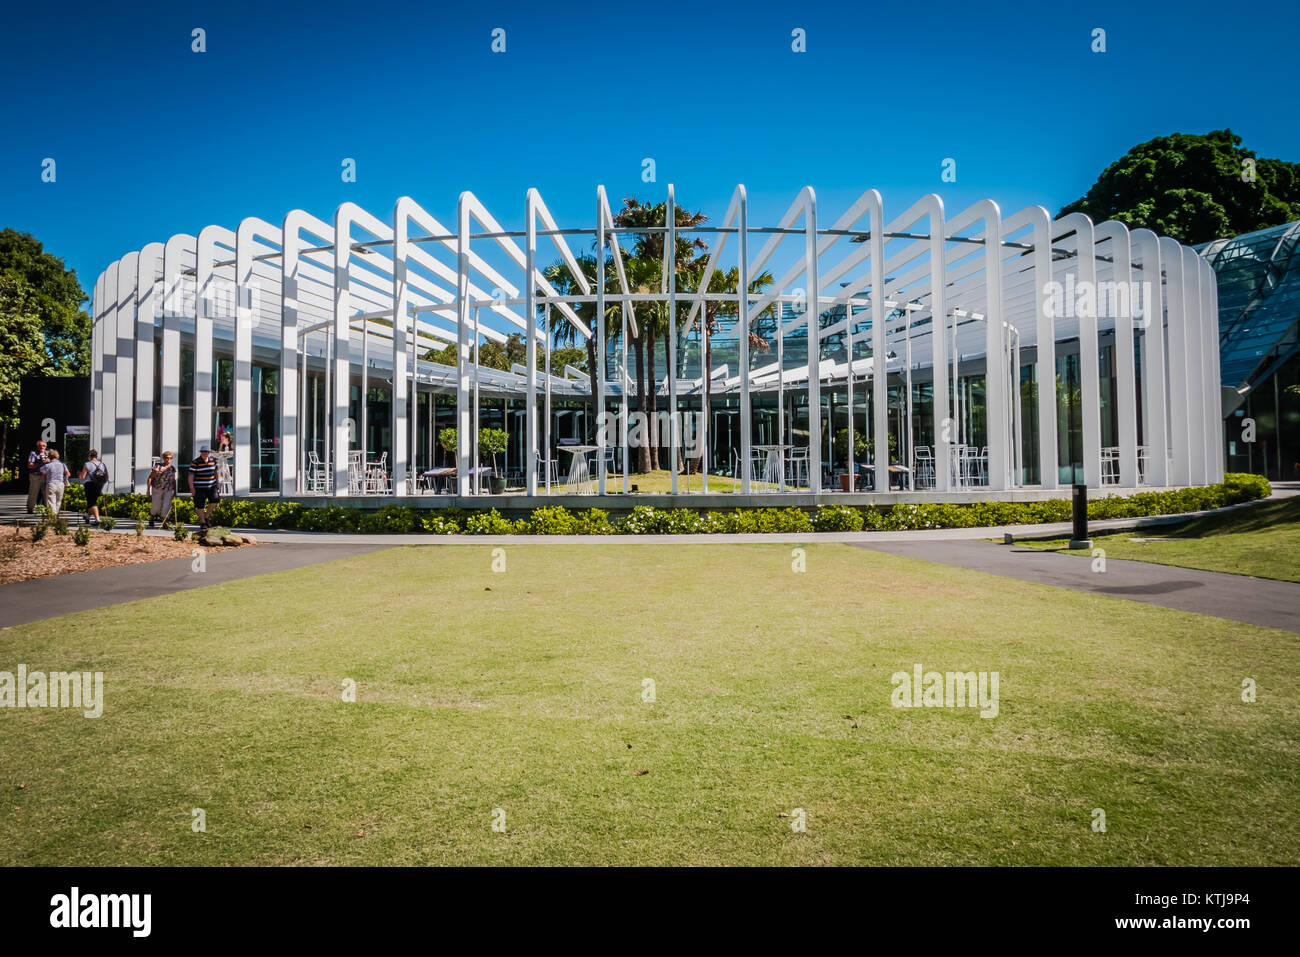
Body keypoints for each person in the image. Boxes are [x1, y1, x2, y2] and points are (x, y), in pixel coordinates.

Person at [189, 444, 219, 530]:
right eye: (203, 452)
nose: (204, 453)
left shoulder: (213, 461)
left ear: (209, 452)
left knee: (215, 500)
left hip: (211, 485)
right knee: (200, 504)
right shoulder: (195, 462)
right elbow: (190, 476)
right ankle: (202, 522)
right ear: (200, 452)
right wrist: (192, 488)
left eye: (206, 452)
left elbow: (215, 472)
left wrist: (217, 483)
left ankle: (206, 517)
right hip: (199, 486)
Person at [147, 451, 178, 529]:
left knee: (167, 505)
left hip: (168, 489)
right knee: (156, 505)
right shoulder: (158, 467)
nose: (169, 460)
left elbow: (173, 480)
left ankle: (164, 522)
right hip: (157, 488)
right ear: (164, 458)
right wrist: (148, 490)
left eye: (170, 458)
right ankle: (152, 517)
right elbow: (150, 477)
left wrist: (175, 492)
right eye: (167, 458)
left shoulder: (172, 468)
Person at [79, 450, 108, 525]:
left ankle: (97, 519)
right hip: (100, 484)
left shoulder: (87, 464)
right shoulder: (102, 464)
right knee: (93, 500)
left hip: (90, 484)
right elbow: (106, 475)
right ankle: (87, 516)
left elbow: (82, 477)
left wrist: (79, 474)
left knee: (91, 502)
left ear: (89, 456)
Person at [40, 450, 71, 515]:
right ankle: (56, 516)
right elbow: (68, 474)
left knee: (51, 501)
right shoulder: (62, 465)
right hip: (60, 484)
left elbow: (42, 475)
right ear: (57, 456)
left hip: (51, 484)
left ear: (49, 457)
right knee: (58, 501)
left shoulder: (47, 465)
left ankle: (52, 517)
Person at [26, 440, 49, 513]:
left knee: (47, 492)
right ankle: (30, 508)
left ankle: (47, 509)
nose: (42, 447)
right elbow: (30, 465)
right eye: (40, 445)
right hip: (35, 476)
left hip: (46, 476)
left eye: (43, 446)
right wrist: (42, 463)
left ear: (46, 447)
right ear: (37, 446)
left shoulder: (48, 453)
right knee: (33, 492)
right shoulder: (33, 453)